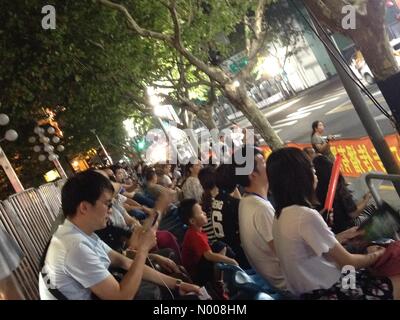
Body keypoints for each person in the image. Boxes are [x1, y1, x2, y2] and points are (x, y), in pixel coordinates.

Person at [39, 170, 200, 300]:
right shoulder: (75, 246)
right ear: (84, 207)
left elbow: (125, 262)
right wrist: (143, 249)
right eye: (107, 203)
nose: (110, 209)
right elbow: (122, 296)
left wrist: (177, 284)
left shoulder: (79, 234)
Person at [267, 147, 399, 299]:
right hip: (334, 290)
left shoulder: (280, 216)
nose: (314, 172)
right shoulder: (305, 216)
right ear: (300, 176)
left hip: (311, 291)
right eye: (310, 167)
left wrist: (342, 236)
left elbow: (307, 251)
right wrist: (378, 254)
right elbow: (349, 263)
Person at [233, 146, 286, 290]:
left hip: (272, 281)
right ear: (252, 175)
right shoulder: (261, 209)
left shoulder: (245, 201)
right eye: (263, 162)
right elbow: (288, 253)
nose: (268, 165)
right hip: (289, 284)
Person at [179, 199, 238, 287]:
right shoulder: (194, 235)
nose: (205, 213)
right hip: (197, 275)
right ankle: (219, 283)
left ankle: (222, 275)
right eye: (201, 213)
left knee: (220, 246)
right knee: (220, 247)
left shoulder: (196, 231)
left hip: (200, 265)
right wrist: (232, 261)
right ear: (192, 221)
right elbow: (209, 255)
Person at [313, 155, 374, 234]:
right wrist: (366, 199)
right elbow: (353, 213)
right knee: (372, 209)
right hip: (346, 228)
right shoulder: (338, 188)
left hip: (328, 229)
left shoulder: (314, 190)